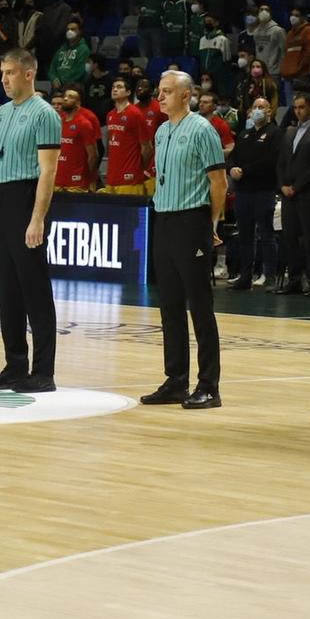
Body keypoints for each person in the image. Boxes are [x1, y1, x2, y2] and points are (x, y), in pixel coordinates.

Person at [139, 72, 228, 410]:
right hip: (164, 220)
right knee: (170, 307)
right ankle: (176, 380)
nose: (159, 97)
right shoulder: (162, 132)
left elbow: (218, 181)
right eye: (159, 91)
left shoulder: (203, 130)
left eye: (166, 92)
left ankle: (209, 386)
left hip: (193, 220)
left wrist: (213, 223)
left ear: (186, 95)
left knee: (200, 307)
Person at [0, 49, 61, 392]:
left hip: (28, 199)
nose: (4, 79)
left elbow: (48, 170)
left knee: (35, 291)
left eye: (10, 72)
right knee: (7, 291)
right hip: (4, 202)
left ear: (28, 74)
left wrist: (37, 218)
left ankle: (43, 372)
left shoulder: (45, 114)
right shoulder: (1, 115)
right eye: (2, 72)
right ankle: (14, 365)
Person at [275, 89, 310, 296]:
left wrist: (296, 187)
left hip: (308, 194)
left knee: (309, 238)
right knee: (289, 237)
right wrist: (282, 185)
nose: (298, 111)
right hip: (287, 193)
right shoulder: (289, 132)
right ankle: (295, 279)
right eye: (296, 108)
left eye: (302, 107)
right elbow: (280, 162)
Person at [228, 97, 278, 289]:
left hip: (263, 190)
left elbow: (270, 161)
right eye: (255, 107)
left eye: (262, 107)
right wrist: (232, 168)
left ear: (269, 112)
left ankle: (270, 276)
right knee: (245, 235)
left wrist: (245, 171)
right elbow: (234, 157)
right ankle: (245, 276)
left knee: (266, 234)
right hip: (243, 191)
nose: (258, 110)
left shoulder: (274, 134)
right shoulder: (244, 135)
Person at [103, 77, 153, 194]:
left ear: (128, 92)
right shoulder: (110, 115)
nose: (115, 90)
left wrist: (138, 167)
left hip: (130, 178)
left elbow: (147, 147)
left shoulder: (135, 114)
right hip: (112, 176)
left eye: (119, 87)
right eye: (113, 87)